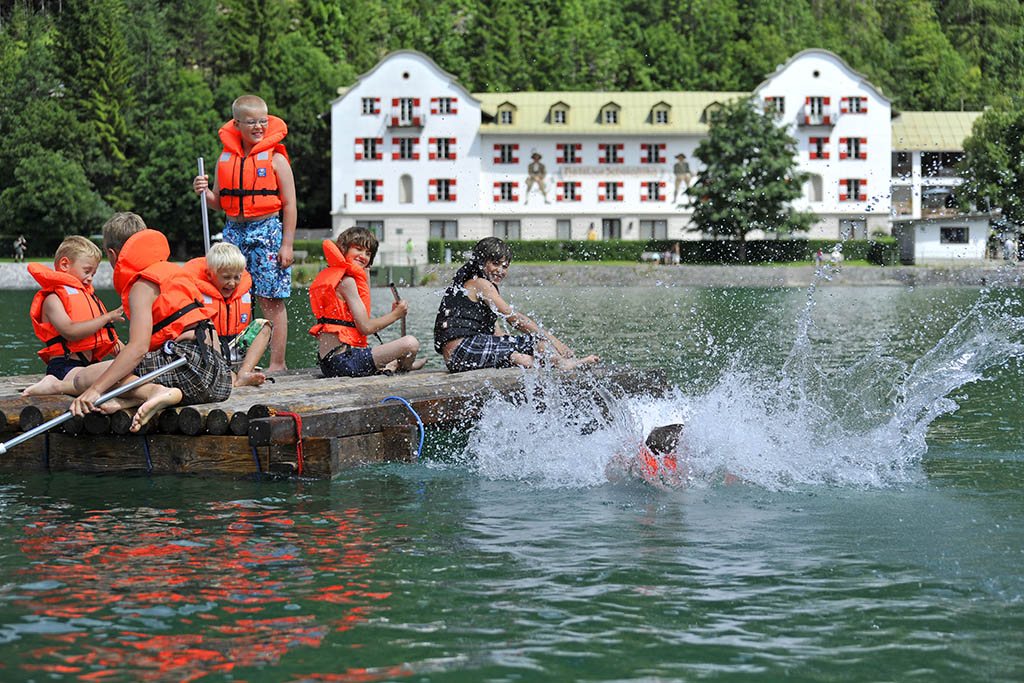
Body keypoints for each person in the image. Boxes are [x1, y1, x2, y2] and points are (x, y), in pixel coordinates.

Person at [67, 212, 232, 432]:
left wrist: (95, 390)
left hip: (190, 371)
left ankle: (153, 392)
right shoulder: (173, 271)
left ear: (112, 254)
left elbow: (138, 349)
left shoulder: (142, 284)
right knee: (119, 369)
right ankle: (134, 399)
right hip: (220, 379)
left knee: (84, 377)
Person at [193, 94, 295, 372]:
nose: (259, 126)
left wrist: (287, 245)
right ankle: (233, 360)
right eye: (252, 122)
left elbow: (290, 204)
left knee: (270, 298)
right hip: (233, 230)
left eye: (263, 121)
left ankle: (277, 363)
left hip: (267, 229)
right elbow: (218, 202)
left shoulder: (276, 159)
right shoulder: (225, 158)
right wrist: (204, 192)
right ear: (237, 124)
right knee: (231, 294)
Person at [433, 237, 599, 373]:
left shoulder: (473, 286)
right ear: (481, 262)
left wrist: (510, 344)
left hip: (458, 358)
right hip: (463, 351)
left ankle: (537, 361)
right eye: (495, 264)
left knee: (528, 347)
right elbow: (513, 318)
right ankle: (561, 364)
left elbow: (495, 333)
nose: (500, 270)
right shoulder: (480, 284)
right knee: (533, 342)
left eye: (505, 266)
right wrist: (555, 341)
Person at [309, 227, 426, 377]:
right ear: (342, 249)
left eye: (368, 253)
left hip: (329, 363)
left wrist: (365, 276)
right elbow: (365, 327)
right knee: (411, 343)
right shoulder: (347, 282)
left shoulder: (338, 278)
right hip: (343, 363)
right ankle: (405, 365)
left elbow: (363, 309)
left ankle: (395, 364)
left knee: (390, 350)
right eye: (358, 249)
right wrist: (396, 314)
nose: (363, 256)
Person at [21, 236, 124, 396]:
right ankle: (54, 385)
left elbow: (111, 341)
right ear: (65, 265)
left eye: (93, 274)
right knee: (122, 369)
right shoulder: (53, 299)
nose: (90, 278)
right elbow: (71, 332)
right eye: (87, 271)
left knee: (131, 366)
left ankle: (143, 397)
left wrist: (135, 355)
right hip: (65, 368)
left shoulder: (90, 300)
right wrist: (106, 318)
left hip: (88, 367)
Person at [183, 242, 271, 387]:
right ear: (210, 275)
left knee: (264, 326)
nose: (232, 283)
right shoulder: (197, 294)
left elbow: (246, 325)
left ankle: (244, 372)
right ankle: (230, 377)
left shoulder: (243, 293)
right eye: (226, 277)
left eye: (237, 277)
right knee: (204, 329)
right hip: (210, 350)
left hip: (234, 346)